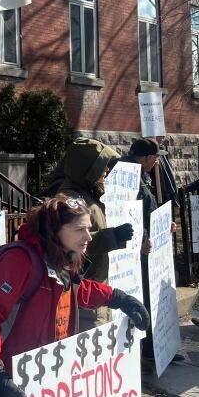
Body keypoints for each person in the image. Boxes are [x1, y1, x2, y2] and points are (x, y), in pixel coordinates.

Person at [0, 194, 150, 397]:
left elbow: (74, 290)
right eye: (80, 229)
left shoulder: (63, 257)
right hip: (16, 379)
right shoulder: (18, 261)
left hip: (51, 375)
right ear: (55, 231)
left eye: (89, 228)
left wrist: (118, 298)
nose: (89, 237)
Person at [55, 137, 134, 330]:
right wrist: (112, 237)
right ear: (88, 169)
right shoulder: (71, 199)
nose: (106, 171)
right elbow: (68, 246)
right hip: (83, 292)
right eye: (102, 166)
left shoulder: (87, 194)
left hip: (95, 286)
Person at [119, 137, 184, 362]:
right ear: (146, 157)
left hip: (147, 249)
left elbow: (148, 208)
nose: (158, 161)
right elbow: (129, 210)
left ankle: (155, 346)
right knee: (143, 296)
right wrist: (144, 238)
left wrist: (165, 224)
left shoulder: (143, 175)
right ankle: (147, 347)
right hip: (136, 253)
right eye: (156, 157)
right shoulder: (127, 175)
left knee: (152, 295)